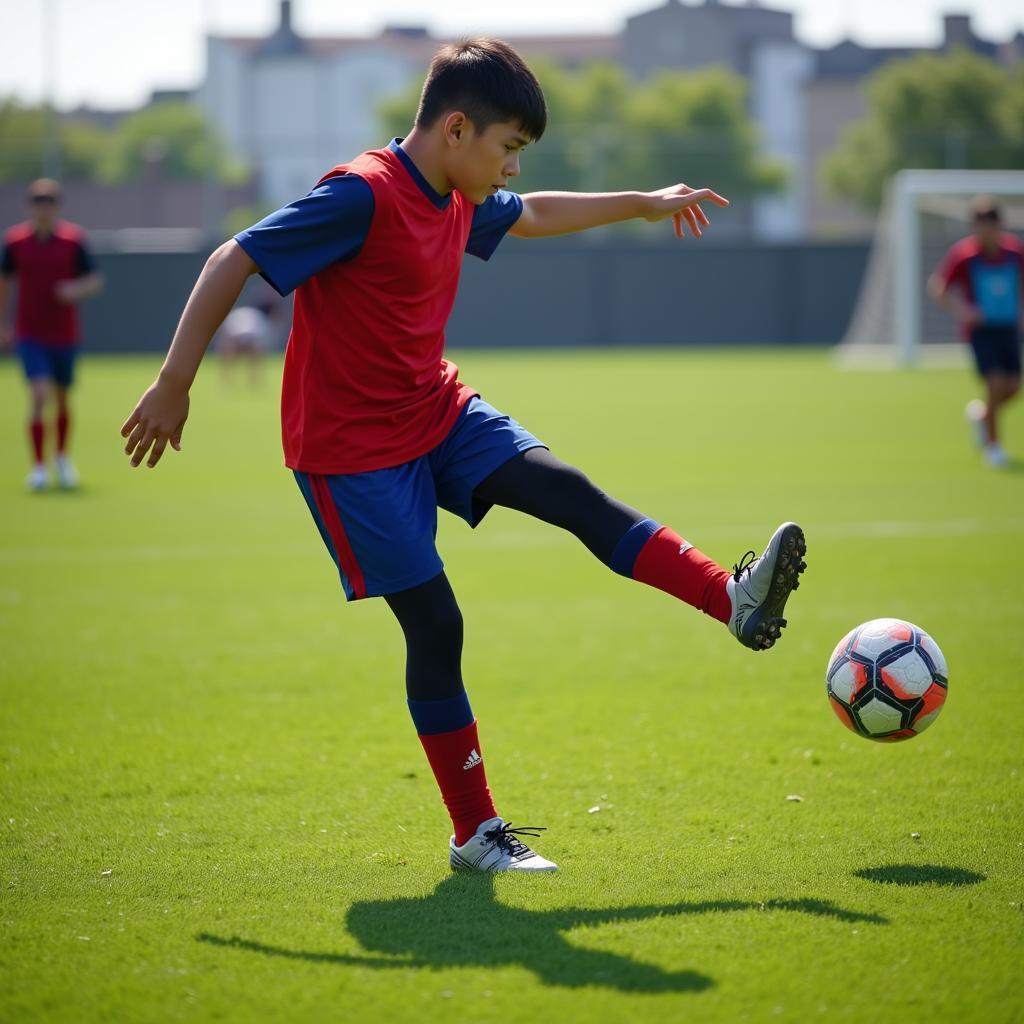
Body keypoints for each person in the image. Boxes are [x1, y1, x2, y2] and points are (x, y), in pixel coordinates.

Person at [120, 39, 807, 873]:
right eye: (508, 147)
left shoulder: (457, 191)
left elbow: (539, 213)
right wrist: (173, 382)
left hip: (435, 410)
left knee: (571, 493)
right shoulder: (361, 195)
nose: (513, 169)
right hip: (352, 452)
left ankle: (731, 599)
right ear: (455, 128)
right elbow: (234, 257)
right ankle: (475, 835)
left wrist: (643, 202)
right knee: (437, 623)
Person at [0, 178, 104, 490]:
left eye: (49, 201)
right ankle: (38, 467)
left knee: (61, 398)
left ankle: (61, 458)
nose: (43, 207)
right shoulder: (15, 242)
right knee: (39, 394)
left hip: (64, 333)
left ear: (57, 206)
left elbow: (94, 280)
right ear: (29, 206)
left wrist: (75, 289)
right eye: (38, 201)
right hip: (30, 332)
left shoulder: (73, 240)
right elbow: (4, 284)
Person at [929, 195, 1024, 468]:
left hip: (1008, 328)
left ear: (999, 226)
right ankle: (993, 446)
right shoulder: (964, 255)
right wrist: (964, 311)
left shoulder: (1015, 253)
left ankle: (981, 415)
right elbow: (938, 288)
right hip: (981, 331)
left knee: (1013, 388)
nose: (985, 232)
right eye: (980, 227)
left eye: (990, 226)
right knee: (994, 383)